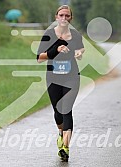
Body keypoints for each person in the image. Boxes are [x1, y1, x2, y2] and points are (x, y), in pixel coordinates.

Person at [37, 5, 85, 162]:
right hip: (53, 78)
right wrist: (56, 50)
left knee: (67, 110)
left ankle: (65, 147)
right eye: (61, 15)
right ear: (56, 17)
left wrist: (79, 52)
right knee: (58, 112)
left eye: (67, 16)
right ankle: (60, 133)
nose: (64, 18)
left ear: (71, 18)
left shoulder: (76, 35)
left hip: (72, 77)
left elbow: (80, 48)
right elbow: (39, 58)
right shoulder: (49, 35)